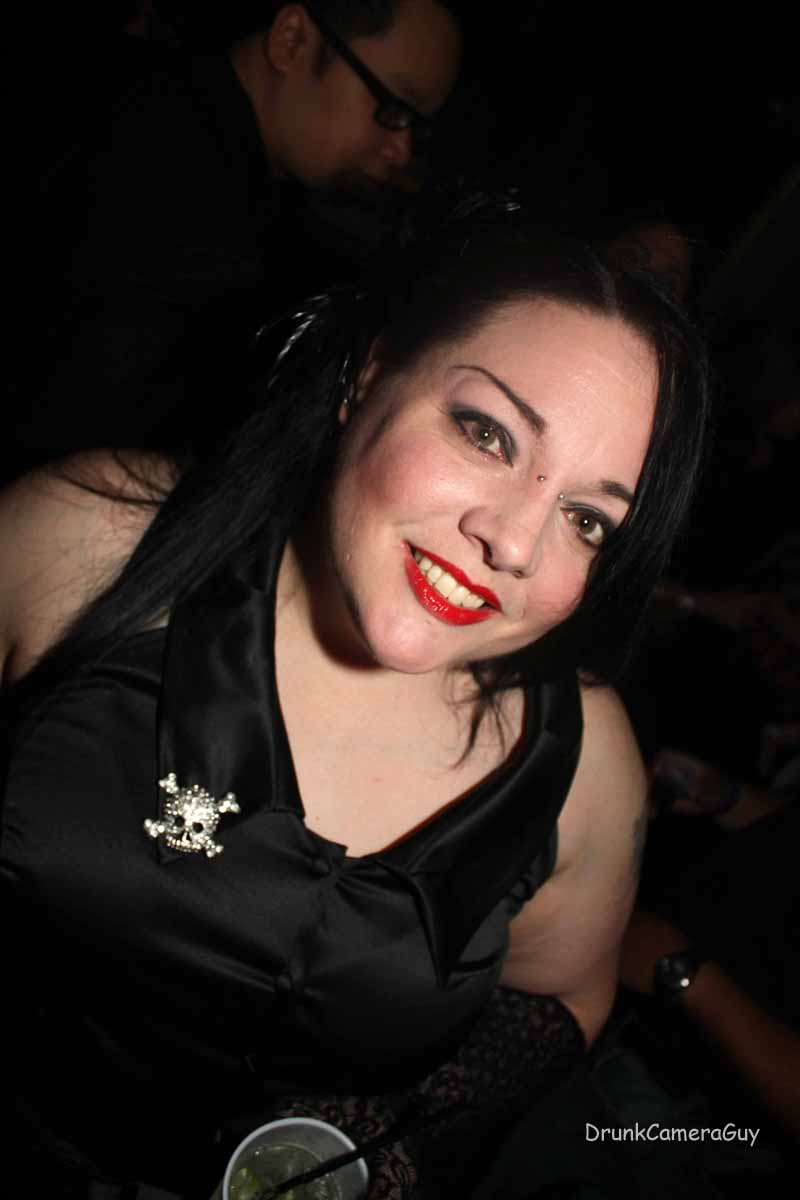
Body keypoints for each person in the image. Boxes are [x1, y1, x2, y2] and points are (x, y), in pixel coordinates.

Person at [0, 217, 709, 1197]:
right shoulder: (81, 544)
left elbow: (562, 1001)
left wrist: (381, 1136)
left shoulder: (583, 768)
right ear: (365, 376)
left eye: (587, 519)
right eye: (486, 434)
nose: (513, 543)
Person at [6, 0, 461, 478]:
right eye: (392, 108)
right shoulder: (167, 172)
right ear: (291, 41)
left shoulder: (229, 168)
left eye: (418, 128)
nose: (401, 151)